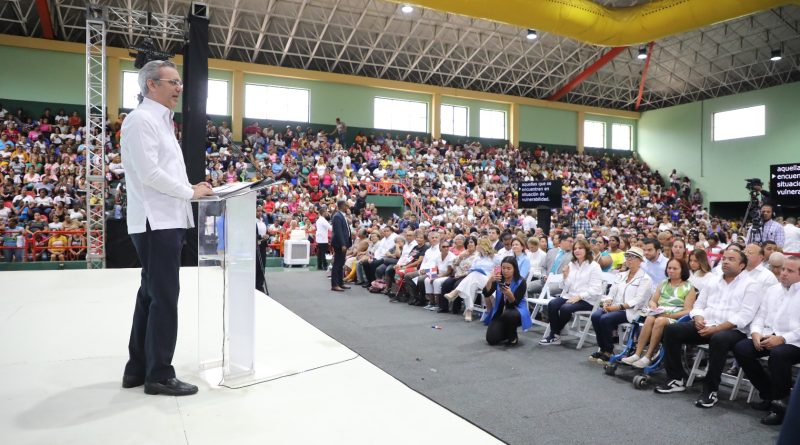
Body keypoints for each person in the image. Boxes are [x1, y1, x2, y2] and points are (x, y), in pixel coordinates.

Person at [120, 60, 213, 396]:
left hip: (164, 219)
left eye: (179, 83)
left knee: (150, 294)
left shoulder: (160, 122)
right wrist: (190, 191)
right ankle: (159, 374)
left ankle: (137, 368)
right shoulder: (142, 120)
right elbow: (150, 175)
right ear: (150, 85)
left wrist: (190, 187)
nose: (179, 88)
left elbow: (163, 173)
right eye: (172, 82)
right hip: (154, 221)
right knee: (164, 298)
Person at [655, 249, 760, 409]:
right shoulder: (713, 281)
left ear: (742, 265)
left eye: (731, 259)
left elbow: (744, 316)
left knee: (719, 339)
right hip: (705, 324)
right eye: (724, 258)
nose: (725, 261)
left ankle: (710, 390)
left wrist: (717, 329)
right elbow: (698, 305)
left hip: (733, 331)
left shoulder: (751, 285)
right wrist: (698, 318)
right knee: (672, 330)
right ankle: (676, 378)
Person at [733, 256, 800, 425]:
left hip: (795, 342)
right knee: (741, 348)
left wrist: (783, 338)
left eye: (790, 271)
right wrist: (756, 333)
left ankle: (780, 408)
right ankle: (768, 394)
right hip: (770, 335)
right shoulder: (773, 290)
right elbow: (760, 315)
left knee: (779, 354)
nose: (783, 273)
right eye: (783, 269)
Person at [621, 258, 695, 368]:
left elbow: (688, 311)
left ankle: (648, 356)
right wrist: (654, 306)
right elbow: (653, 300)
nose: (671, 270)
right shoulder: (663, 283)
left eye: (675, 268)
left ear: (682, 270)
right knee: (650, 318)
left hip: (675, 318)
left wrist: (668, 315)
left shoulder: (689, 288)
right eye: (669, 268)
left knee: (659, 321)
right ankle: (637, 354)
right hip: (659, 313)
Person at [591, 247, 654, 362]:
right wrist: (607, 302)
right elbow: (611, 293)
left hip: (632, 311)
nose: (629, 259)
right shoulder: (621, 275)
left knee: (605, 319)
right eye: (627, 256)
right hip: (615, 307)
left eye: (633, 257)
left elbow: (638, 300)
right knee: (595, 316)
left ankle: (609, 351)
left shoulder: (645, 279)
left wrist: (618, 307)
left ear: (640, 260)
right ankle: (602, 348)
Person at [539, 239, 603, 346]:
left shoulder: (594, 266)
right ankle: (556, 335)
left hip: (587, 299)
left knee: (565, 308)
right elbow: (565, 286)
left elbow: (596, 289)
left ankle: (554, 334)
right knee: (552, 304)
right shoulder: (572, 264)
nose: (577, 250)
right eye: (575, 248)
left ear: (587, 250)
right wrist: (565, 276)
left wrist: (579, 296)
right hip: (570, 295)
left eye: (580, 248)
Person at [483, 257, 531, 346]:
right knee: (491, 339)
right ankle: (505, 331)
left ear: (514, 269)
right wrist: (490, 280)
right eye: (503, 268)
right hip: (500, 311)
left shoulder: (521, 282)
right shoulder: (498, 279)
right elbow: (486, 293)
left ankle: (513, 336)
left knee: (509, 314)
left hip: (516, 311)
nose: (505, 271)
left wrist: (509, 294)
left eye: (509, 268)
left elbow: (514, 303)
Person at [330, 200, 352, 292]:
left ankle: (340, 283)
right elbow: (338, 232)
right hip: (339, 244)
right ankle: (335, 285)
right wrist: (343, 244)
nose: (348, 206)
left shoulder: (342, 215)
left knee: (341, 264)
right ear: (342, 205)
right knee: (337, 264)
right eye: (346, 205)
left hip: (343, 243)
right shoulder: (337, 216)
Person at [314, 206, 331, 271]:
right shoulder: (323, 220)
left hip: (320, 238)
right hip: (323, 239)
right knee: (323, 253)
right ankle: (325, 266)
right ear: (323, 213)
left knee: (320, 253)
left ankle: (320, 266)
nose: (327, 213)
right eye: (326, 211)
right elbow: (330, 228)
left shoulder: (319, 219)